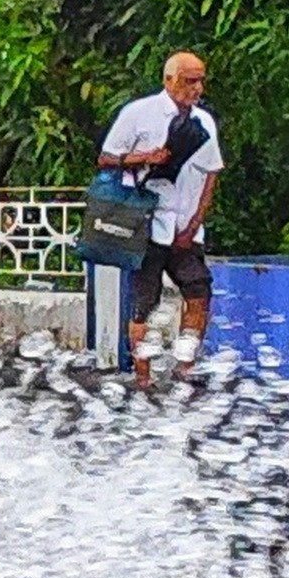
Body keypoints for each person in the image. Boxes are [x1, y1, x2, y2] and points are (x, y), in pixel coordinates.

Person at [96, 49, 222, 374]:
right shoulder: (139, 113)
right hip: (147, 223)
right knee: (144, 303)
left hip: (186, 226)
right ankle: (143, 377)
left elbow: (212, 173)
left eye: (200, 81)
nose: (197, 89)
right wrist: (145, 158)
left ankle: (185, 369)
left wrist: (195, 222)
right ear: (169, 80)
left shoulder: (203, 121)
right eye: (189, 81)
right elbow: (106, 159)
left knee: (198, 291)